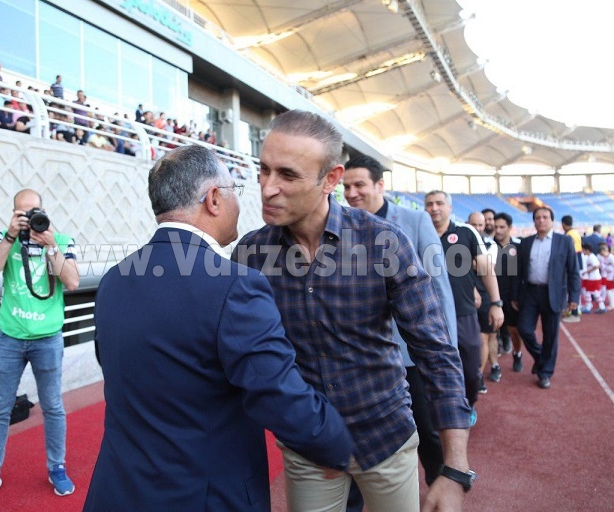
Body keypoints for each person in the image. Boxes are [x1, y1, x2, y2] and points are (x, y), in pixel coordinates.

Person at [84, 145, 353, 511]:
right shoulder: (234, 285)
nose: (239, 203)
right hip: (202, 496)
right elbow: (276, 392)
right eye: (234, 191)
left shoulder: (114, 280)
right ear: (213, 199)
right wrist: (335, 444)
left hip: (117, 491)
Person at [233, 110, 474, 512]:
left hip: (386, 438)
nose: (268, 188)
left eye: (287, 175)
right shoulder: (250, 254)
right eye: (264, 170)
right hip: (308, 447)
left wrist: (454, 468)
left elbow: (436, 351)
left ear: (331, 179)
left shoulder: (385, 242)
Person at [342, 154, 459, 493]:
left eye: (359, 185)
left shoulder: (415, 220)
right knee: (366, 438)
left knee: (428, 431)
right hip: (363, 356)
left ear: (380, 185)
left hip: (411, 353)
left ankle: (440, 487)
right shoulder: (340, 226)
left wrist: (446, 351)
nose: (351, 193)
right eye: (346, 186)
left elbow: (439, 289)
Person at [0, 189, 80, 511]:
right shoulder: (5, 238)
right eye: (22, 213)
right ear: (14, 214)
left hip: (48, 338)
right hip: (10, 337)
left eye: (34, 211)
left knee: (53, 407)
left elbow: (72, 282)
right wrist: (9, 237)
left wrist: (51, 245)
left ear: (44, 210)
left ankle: (57, 467)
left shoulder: (62, 239)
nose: (30, 218)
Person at [425, 191, 503, 421]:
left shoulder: (466, 232)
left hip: (463, 312)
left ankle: (469, 404)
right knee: (430, 368)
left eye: (439, 203)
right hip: (429, 315)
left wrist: (496, 303)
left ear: (450, 207)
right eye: (429, 204)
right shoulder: (419, 232)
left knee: (470, 366)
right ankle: (438, 413)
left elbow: (486, 269)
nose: (434, 208)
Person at [513, 207, 580, 390]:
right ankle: (542, 357)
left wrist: (574, 296)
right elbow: (518, 271)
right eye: (537, 218)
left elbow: (573, 271)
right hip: (530, 293)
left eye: (545, 217)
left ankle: (545, 373)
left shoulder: (564, 242)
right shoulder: (526, 242)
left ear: (552, 220)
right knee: (524, 329)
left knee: (550, 336)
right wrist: (515, 295)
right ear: (534, 221)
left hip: (553, 293)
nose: (541, 220)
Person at [467, 212, 500, 389]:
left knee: (485, 337)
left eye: (480, 225)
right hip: (465, 295)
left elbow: (486, 267)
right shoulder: (461, 241)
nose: (478, 228)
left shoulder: (491, 244)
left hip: (486, 296)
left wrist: (465, 260)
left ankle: (479, 374)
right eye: (474, 225)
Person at [492, 213, 524, 372]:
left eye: (502, 227)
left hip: (512, 296)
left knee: (514, 330)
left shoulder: (519, 246)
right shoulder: (488, 246)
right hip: (492, 296)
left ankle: (517, 354)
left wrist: (517, 296)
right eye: (496, 227)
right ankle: (494, 365)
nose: (498, 230)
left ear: (510, 228)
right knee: (491, 332)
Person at [560, 215, 583, 323]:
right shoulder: (575, 233)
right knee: (574, 286)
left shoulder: (569, 235)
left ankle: (574, 312)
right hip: (577, 259)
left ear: (563, 224)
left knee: (571, 287)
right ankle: (573, 310)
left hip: (572, 261)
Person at [580, 243, 606, 314]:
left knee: (594, 292)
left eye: (583, 250)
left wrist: (587, 272)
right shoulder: (588, 257)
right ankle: (590, 306)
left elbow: (596, 266)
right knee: (588, 292)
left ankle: (601, 307)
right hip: (591, 278)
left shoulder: (592, 257)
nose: (583, 251)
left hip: (594, 278)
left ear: (587, 250)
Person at [597, 243, 614, 310]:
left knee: (609, 291)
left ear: (604, 251)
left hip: (612, 276)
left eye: (602, 253)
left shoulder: (611, 257)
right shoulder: (605, 258)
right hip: (608, 275)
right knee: (611, 291)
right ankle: (613, 304)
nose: (602, 255)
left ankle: (612, 305)